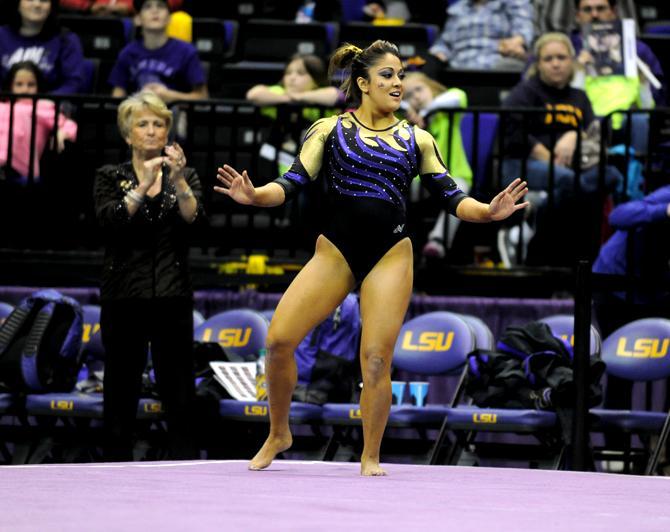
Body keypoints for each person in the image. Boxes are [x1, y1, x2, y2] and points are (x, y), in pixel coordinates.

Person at [214, 40, 528, 475]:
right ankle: (278, 432)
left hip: (389, 254)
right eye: (388, 75)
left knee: (376, 359)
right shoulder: (328, 130)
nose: (398, 83)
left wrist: (488, 212)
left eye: (400, 75)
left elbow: (453, 197)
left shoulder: (416, 138)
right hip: (337, 251)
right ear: (362, 83)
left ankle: (370, 454)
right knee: (279, 341)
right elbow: (290, 183)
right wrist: (253, 196)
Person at [93, 91, 203, 461]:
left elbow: (196, 220)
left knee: (180, 389)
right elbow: (110, 221)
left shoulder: (184, 176)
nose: (152, 131)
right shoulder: (110, 176)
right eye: (143, 124)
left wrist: (178, 180)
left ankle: (185, 465)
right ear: (128, 135)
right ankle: (114, 465)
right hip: (123, 295)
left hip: (173, 295)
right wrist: (144, 184)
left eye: (159, 124)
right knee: (121, 386)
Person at [592, 184, 670, 453]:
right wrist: (666, 211)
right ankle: (615, 451)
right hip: (616, 287)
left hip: (656, 290)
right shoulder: (666, 194)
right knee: (619, 370)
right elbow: (620, 216)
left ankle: (663, 448)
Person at [401, 72, 472, 258]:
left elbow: (459, 95)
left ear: (431, 88)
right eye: (408, 95)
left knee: (459, 190)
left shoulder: (446, 114)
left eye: (419, 89)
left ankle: (437, 241)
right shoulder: (405, 123)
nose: (415, 96)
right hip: (420, 180)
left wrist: (427, 111)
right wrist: (407, 109)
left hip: (454, 175)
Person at [571, 0, 665, 110]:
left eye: (601, 8)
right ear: (577, 15)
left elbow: (659, 97)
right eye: (587, 9)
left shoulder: (637, 50)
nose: (594, 14)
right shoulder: (567, 49)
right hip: (579, 119)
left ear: (614, 12)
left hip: (628, 119)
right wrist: (577, 70)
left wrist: (644, 82)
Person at [108, 0, 207, 103]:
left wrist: (172, 96)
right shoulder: (127, 53)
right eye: (147, 7)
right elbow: (117, 95)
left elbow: (202, 97)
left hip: (175, 114)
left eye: (160, 6)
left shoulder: (187, 51)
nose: (155, 11)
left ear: (169, 18)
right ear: (137, 19)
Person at [0, 60, 77, 182]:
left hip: (21, 171)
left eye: (31, 85)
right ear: (10, 85)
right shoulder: (2, 105)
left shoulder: (42, 106)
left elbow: (68, 124)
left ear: (38, 86)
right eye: (19, 84)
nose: (25, 89)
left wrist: (62, 132)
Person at [0, 0, 87, 94]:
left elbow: (74, 83)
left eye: (44, 0)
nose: (37, 4)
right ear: (17, 4)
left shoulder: (67, 40)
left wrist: (46, 102)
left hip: (52, 105)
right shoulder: (1, 36)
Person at [426, 0, 534, 74]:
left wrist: (517, 41)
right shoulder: (457, 9)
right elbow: (444, 42)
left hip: (497, 62)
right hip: (457, 66)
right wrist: (438, 53)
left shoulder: (512, 3)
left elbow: (524, 30)